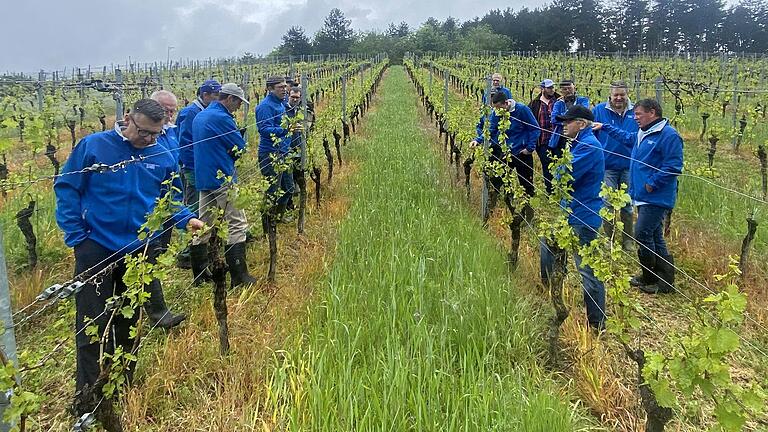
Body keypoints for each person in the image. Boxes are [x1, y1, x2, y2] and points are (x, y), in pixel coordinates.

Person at [54, 99, 203, 417]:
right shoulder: (94, 146)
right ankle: (88, 398)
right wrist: (77, 236)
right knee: (91, 324)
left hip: (139, 250)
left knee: (128, 321)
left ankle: (121, 387)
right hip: (96, 246)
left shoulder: (162, 153)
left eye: (155, 134)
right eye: (144, 133)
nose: (149, 140)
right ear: (127, 119)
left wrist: (186, 218)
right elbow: (67, 187)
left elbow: (170, 197)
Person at [593, 99, 683, 295]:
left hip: (656, 196)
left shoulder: (668, 135)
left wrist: (652, 183)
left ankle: (651, 277)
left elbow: (673, 166)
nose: (635, 118)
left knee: (642, 234)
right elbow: (626, 138)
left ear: (652, 112)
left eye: (638, 114)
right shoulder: (644, 132)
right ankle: (662, 280)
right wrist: (606, 127)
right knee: (654, 236)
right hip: (643, 195)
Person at [544, 105, 606, 330]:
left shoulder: (588, 146)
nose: (563, 125)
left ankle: (597, 322)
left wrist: (559, 170)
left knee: (588, 271)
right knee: (549, 245)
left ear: (581, 124)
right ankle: (547, 288)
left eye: (568, 122)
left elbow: (563, 175)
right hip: (575, 211)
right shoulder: (580, 143)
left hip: (584, 215)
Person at [192, 83, 256, 288]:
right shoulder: (221, 117)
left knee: (203, 225)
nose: (238, 107)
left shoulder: (200, 115)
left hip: (203, 176)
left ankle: (200, 274)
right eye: (238, 102)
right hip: (222, 177)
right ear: (229, 99)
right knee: (237, 223)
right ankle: (239, 276)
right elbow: (240, 146)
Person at [471, 91, 540, 266]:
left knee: (526, 185)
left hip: (522, 153)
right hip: (505, 154)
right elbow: (491, 130)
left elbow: (534, 128)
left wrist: (530, 148)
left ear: (505, 103)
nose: (496, 111)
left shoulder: (522, 110)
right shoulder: (496, 113)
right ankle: (504, 209)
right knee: (500, 182)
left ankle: (528, 213)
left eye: (498, 108)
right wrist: (478, 140)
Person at [146, 90, 186, 329]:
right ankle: (157, 312)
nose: (170, 115)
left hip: (168, 203)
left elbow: (173, 167)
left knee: (158, 253)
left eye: (173, 110)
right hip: (149, 208)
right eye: (165, 110)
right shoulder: (147, 137)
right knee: (147, 258)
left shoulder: (170, 133)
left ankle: (151, 306)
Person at [175, 80, 221, 270]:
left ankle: (201, 246)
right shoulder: (190, 113)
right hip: (193, 168)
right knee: (194, 206)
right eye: (216, 95)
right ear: (205, 95)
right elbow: (185, 145)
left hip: (202, 167)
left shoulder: (202, 111)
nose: (218, 99)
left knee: (204, 206)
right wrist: (194, 167)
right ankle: (187, 253)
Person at [592, 81, 637, 251]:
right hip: (607, 166)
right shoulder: (598, 111)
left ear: (627, 95)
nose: (618, 98)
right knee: (607, 203)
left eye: (622, 95)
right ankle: (609, 238)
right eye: (615, 94)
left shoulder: (635, 112)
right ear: (610, 95)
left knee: (627, 205)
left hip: (629, 166)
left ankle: (628, 241)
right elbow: (590, 134)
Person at [256, 77, 301, 229]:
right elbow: (264, 130)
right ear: (270, 88)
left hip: (284, 152)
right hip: (270, 154)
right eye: (280, 87)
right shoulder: (265, 107)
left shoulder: (282, 103)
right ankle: (268, 224)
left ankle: (277, 217)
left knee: (288, 188)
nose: (284, 89)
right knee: (272, 191)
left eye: (284, 87)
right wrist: (286, 130)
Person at [529, 79, 561, 195]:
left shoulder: (559, 100)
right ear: (542, 89)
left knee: (560, 164)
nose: (552, 90)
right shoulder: (534, 104)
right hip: (542, 141)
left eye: (553, 87)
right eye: (549, 88)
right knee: (546, 165)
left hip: (558, 140)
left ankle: (561, 189)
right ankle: (550, 191)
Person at [548, 80, 590, 156]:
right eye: (564, 89)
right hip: (561, 138)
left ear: (575, 88)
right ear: (561, 91)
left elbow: (583, 114)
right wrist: (574, 117)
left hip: (579, 137)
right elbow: (553, 119)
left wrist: (562, 117)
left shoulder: (583, 100)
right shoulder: (558, 103)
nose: (567, 91)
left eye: (570, 88)